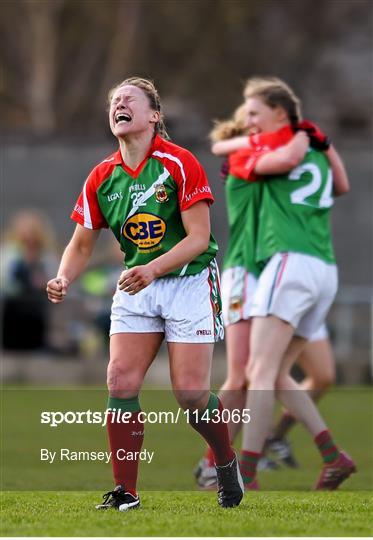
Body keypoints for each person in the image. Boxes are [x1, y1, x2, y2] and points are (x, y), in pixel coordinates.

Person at [46, 77, 244, 510]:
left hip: (188, 280)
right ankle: (126, 492)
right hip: (138, 284)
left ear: (154, 115)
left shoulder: (178, 163)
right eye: (114, 100)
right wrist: (64, 277)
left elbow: (198, 238)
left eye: (128, 99)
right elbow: (81, 244)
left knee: (191, 395)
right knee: (120, 381)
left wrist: (152, 269)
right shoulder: (102, 176)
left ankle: (226, 463)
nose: (118, 103)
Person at [235, 77, 354, 490]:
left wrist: (294, 140)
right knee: (280, 371)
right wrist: (318, 141)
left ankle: (245, 473)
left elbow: (271, 163)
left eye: (254, 112)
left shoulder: (271, 150)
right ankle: (333, 456)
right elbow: (342, 185)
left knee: (259, 370)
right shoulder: (317, 152)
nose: (247, 121)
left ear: (280, 115)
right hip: (324, 270)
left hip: (290, 263)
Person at [1, 210, 57, 351]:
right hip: (13, 302)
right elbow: (5, 279)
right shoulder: (10, 252)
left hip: (38, 303)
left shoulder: (46, 255)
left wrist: (43, 282)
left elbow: (54, 277)